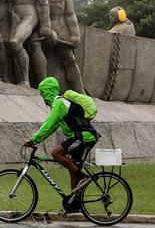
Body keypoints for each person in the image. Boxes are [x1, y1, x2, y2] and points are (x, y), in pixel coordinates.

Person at [24, 76, 99, 206]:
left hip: (83, 137)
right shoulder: (61, 104)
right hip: (83, 137)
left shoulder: (59, 103)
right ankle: (75, 203)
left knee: (56, 153)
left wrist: (33, 140)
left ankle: (83, 177)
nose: (43, 99)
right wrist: (37, 140)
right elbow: (52, 128)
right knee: (73, 168)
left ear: (48, 91)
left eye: (43, 94)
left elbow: (48, 124)